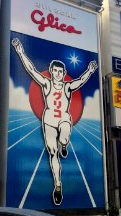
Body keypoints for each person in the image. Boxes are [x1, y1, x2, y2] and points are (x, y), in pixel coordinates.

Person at [12, 38, 98, 205]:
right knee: (52, 152)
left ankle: (64, 144)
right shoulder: (46, 84)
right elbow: (31, 70)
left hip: (64, 118)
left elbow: (80, 81)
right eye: (55, 71)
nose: (58, 74)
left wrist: (90, 70)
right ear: (51, 71)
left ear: (63, 72)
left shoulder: (67, 86)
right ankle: (58, 185)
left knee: (64, 137)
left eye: (60, 71)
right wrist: (20, 51)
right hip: (49, 119)